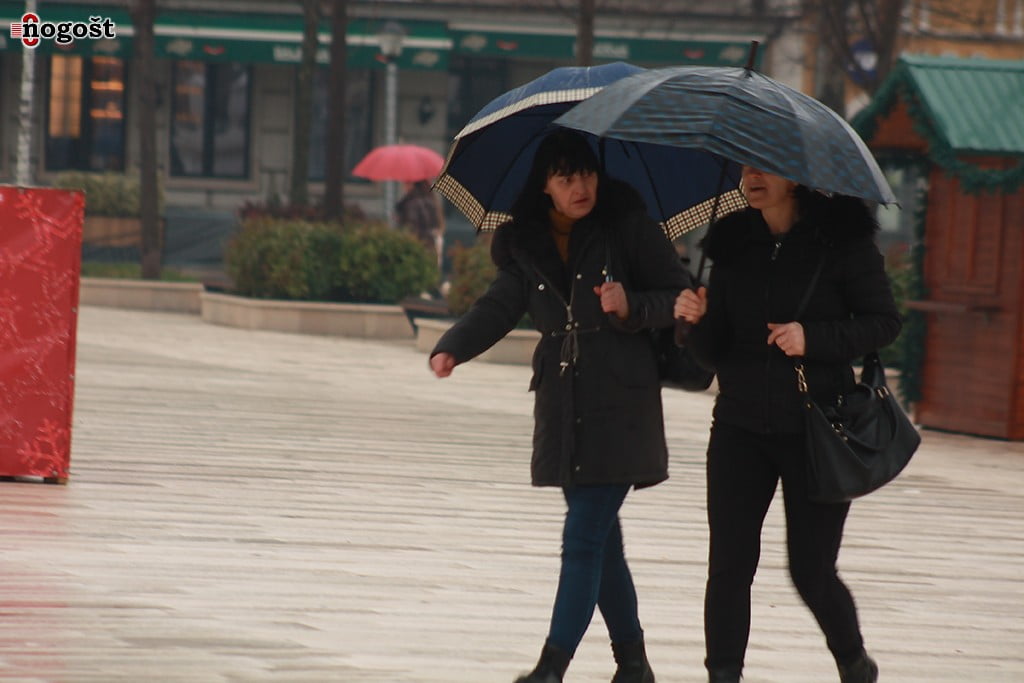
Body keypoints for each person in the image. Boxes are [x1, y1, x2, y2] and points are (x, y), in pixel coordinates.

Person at [429, 130, 690, 683]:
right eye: (566, 178)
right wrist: (453, 346)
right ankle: (634, 664)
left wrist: (630, 306)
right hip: (564, 405)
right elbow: (499, 305)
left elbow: (679, 297)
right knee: (602, 543)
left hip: (623, 404)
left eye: (586, 174)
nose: (580, 187)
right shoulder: (527, 244)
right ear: (545, 185)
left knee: (582, 537)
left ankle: (551, 668)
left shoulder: (629, 228)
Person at [675, 166, 901, 683]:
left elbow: (884, 322)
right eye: (745, 167)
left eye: (765, 167)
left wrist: (811, 338)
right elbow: (713, 354)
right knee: (728, 565)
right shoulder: (732, 244)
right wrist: (694, 322)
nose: (751, 177)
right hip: (739, 427)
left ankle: (853, 662)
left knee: (811, 570)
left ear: (795, 176)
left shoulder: (842, 242)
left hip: (817, 427)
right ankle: (723, 674)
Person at [396, 179, 445, 268]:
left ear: (413, 184)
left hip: (415, 250)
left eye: (406, 182)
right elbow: (437, 227)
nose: (403, 186)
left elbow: (411, 229)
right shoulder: (431, 200)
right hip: (430, 248)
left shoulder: (412, 203)